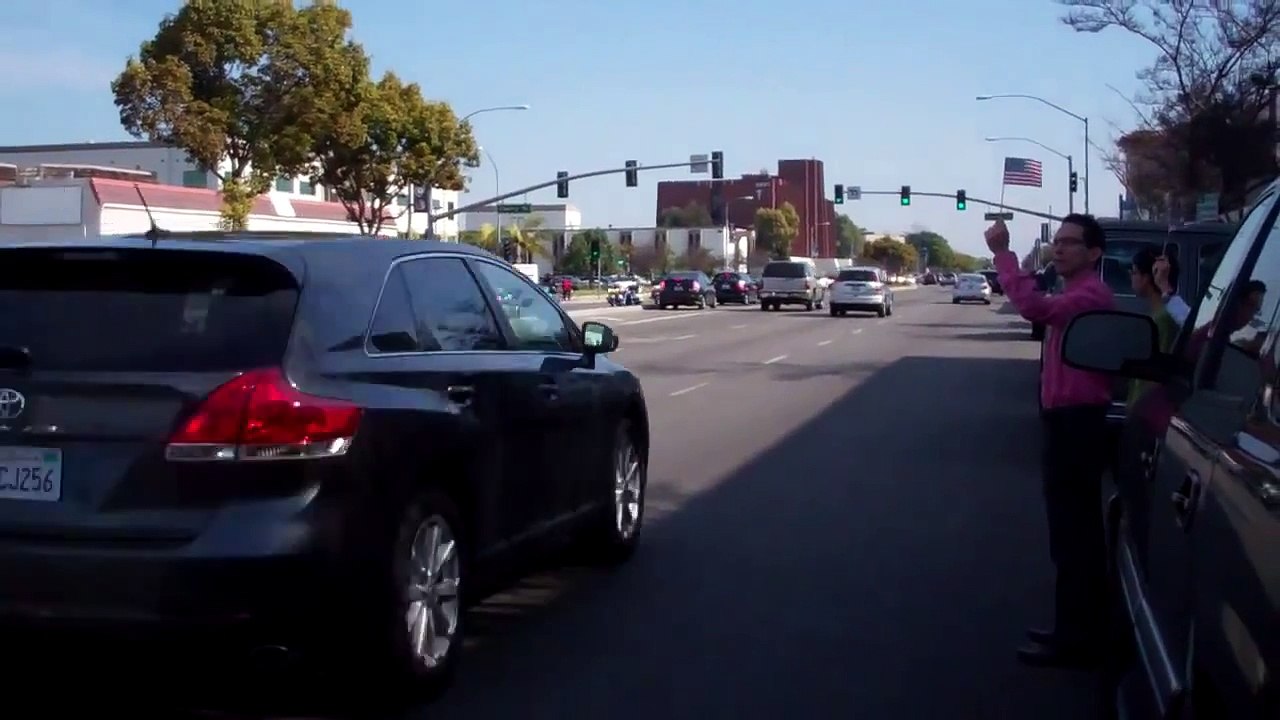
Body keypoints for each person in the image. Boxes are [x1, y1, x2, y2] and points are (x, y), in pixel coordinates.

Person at [986, 216, 1115, 669]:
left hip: (1078, 425)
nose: (1059, 249)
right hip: (1065, 422)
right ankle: (1071, 629)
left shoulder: (1088, 298)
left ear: (1094, 253)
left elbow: (1034, 309)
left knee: (1075, 536)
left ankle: (1079, 638)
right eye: (1057, 242)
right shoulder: (1075, 294)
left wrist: (1003, 254)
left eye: (1070, 243)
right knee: (1069, 535)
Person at [1127, 249, 1182, 407]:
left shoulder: (1163, 319)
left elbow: (1157, 374)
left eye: (1134, 272)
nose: (1131, 276)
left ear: (1147, 277)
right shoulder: (1159, 315)